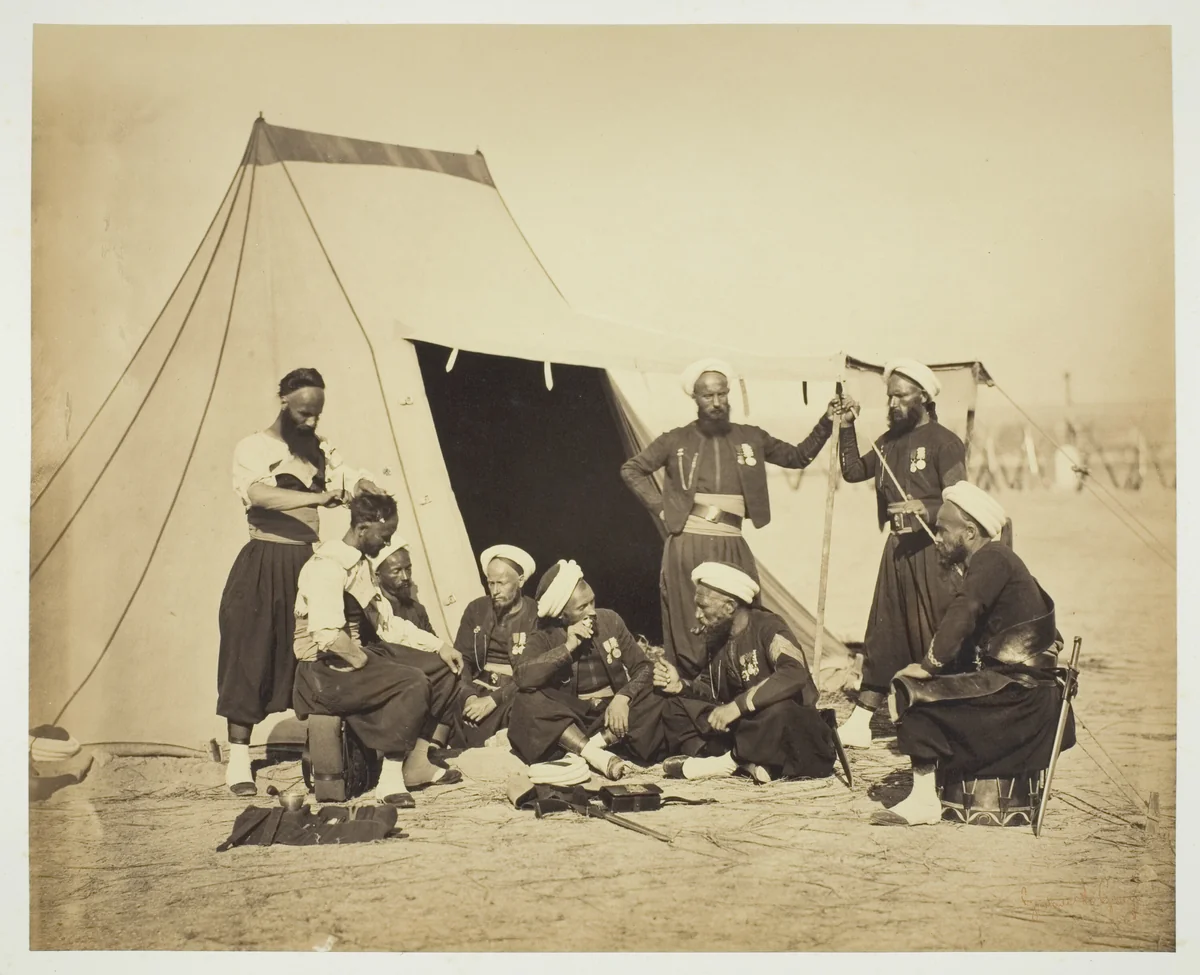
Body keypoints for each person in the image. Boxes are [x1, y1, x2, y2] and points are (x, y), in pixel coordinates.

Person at [216, 367, 384, 796]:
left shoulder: (319, 449)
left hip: (306, 562)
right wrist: (317, 497)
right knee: (250, 649)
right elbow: (258, 495)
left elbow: (346, 477)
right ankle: (238, 759)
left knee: (313, 647)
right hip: (265, 560)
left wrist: (362, 483)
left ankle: (323, 750)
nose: (310, 422)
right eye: (304, 413)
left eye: (317, 415)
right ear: (283, 401)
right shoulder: (253, 447)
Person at [620, 358, 841, 681]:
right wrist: (661, 507)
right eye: (708, 396)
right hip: (688, 544)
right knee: (691, 620)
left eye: (722, 394)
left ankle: (737, 684)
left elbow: (797, 456)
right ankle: (691, 692)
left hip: (731, 544)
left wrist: (827, 421)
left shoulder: (750, 437)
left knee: (740, 616)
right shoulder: (675, 440)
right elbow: (632, 469)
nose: (717, 403)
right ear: (694, 398)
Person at [871, 483, 1076, 826]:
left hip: (1021, 702)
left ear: (968, 532)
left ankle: (923, 801)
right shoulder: (999, 561)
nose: (937, 538)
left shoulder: (992, 558)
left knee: (912, 691)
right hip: (1025, 696)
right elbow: (1050, 634)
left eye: (942, 530)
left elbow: (965, 610)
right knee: (929, 687)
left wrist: (928, 667)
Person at [291, 492, 466, 808]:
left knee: (443, 669)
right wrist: (364, 663)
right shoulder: (327, 566)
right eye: (383, 537)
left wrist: (439, 645)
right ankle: (390, 780)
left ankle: (417, 762)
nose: (386, 544)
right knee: (411, 681)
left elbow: (387, 624)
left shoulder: (357, 565)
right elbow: (327, 634)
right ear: (362, 528)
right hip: (322, 670)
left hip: (350, 657)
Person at [833, 358, 968, 749]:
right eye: (889, 396)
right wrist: (847, 427)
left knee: (935, 631)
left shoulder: (945, 441)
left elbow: (960, 500)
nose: (892, 403)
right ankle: (860, 723)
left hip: (934, 550)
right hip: (896, 552)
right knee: (884, 631)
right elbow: (854, 471)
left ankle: (950, 717)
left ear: (923, 397)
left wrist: (923, 508)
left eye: (901, 396)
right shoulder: (888, 442)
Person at [654, 562, 836, 783]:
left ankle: (728, 762)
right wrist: (681, 686)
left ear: (730, 606)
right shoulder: (717, 637)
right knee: (674, 706)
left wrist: (737, 707)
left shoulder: (769, 627)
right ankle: (750, 763)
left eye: (703, 606)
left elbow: (794, 672)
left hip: (782, 724)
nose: (697, 614)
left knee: (780, 710)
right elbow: (710, 689)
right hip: (745, 727)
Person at [508, 560, 666, 778]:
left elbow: (644, 667)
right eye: (582, 607)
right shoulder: (545, 635)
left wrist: (623, 697)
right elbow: (523, 677)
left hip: (613, 714)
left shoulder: (610, 620)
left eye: (592, 602)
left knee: (659, 693)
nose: (592, 612)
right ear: (562, 615)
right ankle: (594, 754)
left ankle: (588, 747)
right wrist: (568, 646)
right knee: (526, 700)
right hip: (573, 718)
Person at [447, 545, 540, 749]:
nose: (495, 591)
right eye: (490, 583)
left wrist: (493, 700)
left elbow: (534, 673)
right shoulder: (476, 609)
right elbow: (463, 660)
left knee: (532, 707)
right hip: (478, 689)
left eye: (502, 583)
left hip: (514, 692)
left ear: (521, 580)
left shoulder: (537, 614)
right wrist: (470, 696)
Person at [372, 539, 436, 634]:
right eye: (397, 571)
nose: (405, 577)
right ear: (377, 576)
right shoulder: (374, 614)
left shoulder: (418, 610)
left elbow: (436, 645)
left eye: (408, 569)